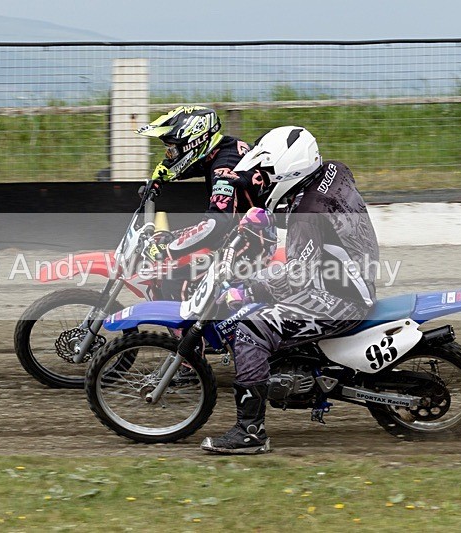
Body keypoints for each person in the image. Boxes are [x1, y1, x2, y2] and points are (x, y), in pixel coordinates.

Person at [200, 126, 380, 454]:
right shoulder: (334, 171)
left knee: (251, 328)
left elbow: (296, 278)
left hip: (341, 296)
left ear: (288, 169)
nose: (262, 181)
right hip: (349, 275)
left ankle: (250, 432)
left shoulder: (305, 215)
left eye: (266, 174)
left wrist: (248, 289)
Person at [136, 106, 270, 298]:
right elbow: (187, 165)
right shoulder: (223, 147)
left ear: (193, 142)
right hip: (242, 230)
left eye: (172, 148)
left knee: (175, 280)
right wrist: (156, 181)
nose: (170, 154)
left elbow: (218, 222)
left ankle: (198, 328)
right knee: (168, 240)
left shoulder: (224, 167)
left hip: (254, 240)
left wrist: (169, 250)